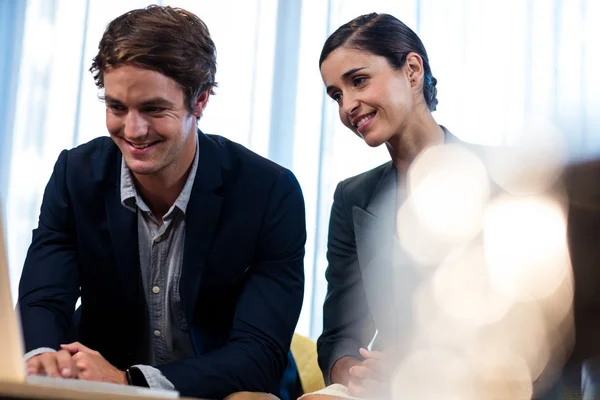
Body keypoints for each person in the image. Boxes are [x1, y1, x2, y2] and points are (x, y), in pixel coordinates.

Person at [18, 5, 306, 399]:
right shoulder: (76, 175)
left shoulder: (270, 191)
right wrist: (42, 356)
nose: (133, 130)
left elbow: (258, 356)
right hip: (101, 386)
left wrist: (130, 381)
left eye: (154, 109)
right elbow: (44, 298)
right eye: (117, 107)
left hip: (221, 389)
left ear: (200, 100)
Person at [316, 12, 455, 398]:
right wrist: (357, 373)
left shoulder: (500, 179)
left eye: (358, 80)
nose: (347, 106)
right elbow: (340, 335)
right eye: (336, 95)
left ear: (411, 70)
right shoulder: (352, 197)